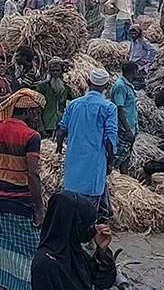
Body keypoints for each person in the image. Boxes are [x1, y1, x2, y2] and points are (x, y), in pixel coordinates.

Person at [0, 88, 46, 290]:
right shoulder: (31, 136)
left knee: (5, 249)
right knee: (29, 252)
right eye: (35, 112)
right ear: (26, 112)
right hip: (22, 200)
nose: (36, 116)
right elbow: (32, 175)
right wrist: (40, 208)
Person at [56, 69, 117, 220]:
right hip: (94, 163)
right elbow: (110, 138)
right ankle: (89, 239)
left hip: (73, 161)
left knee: (71, 199)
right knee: (90, 207)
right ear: (106, 86)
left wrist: (58, 148)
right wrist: (110, 161)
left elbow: (62, 129)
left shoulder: (74, 105)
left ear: (88, 83)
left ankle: (72, 234)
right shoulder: (109, 108)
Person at [31, 191, 117, 290]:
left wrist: (102, 252)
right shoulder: (45, 264)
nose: (93, 229)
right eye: (89, 225)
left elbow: (103, 282)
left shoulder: (74, 251)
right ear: (73, 225)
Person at [110, 61, 139, 175]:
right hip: (122, 127)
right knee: (119, 154)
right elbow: (119, 108)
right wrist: (127, 129)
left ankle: (125, 176)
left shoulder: (127, 85)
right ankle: (111, 174)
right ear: (134, 71)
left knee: (127, 153)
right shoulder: (120, 86)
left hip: (130, 125)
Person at [37, 57, 73, 138]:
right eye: (53, 71)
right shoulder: (42, 86)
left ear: (61, 71)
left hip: (61, 123)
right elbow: (37, 107)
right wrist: (40, 125)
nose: (55, 73)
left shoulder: (67, 87)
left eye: (57, 70)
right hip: (47, 123)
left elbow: (75, 100)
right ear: (49, 72)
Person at [128, 24, 157, 90]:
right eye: (132, 34)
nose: (133, 35)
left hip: (141, 66)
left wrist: (147, 60)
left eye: (135, 34)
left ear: (139, 33)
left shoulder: (143, 41)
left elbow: (153, 50)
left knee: (140, 83)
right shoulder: (133, 41)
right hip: (133, 64)